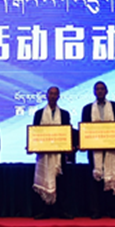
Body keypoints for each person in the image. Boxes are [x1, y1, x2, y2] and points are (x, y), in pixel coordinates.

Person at [81, 81, 115, 219]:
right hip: (94, 150)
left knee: (112, 176)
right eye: (97, 89)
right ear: (94, 92)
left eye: (102, 89)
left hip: (111, 148)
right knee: (96, 180)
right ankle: (96, 210)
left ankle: (113, 209)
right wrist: (83, 143)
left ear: (106, 91)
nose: (99, 91)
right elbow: (85, 129)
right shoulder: (87, 109)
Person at [32, 86, 74, 220]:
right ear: (46, 95)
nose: (53, 96)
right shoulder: (39, 114)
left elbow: (67, 133)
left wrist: (69, 145)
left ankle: (62, 210)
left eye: (55, 94)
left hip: (59, 155)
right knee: (44, 179)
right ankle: (44, 210)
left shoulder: (64, 114)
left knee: (61, 183)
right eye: (51, 93)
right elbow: (35, 132)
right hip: (43, 154)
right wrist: (32, 145)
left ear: (59, 97)